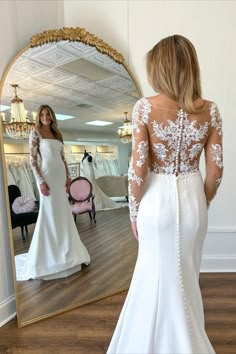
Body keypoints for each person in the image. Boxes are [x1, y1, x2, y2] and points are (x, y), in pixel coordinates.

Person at [107, 35, 223, 353]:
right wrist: (202, 201)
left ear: (159, 68)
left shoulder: (145, 108)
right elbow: (215, 172)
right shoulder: (210, 111)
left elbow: (139, 169)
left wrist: (133, 211)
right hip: (193, 197)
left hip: (155, 201)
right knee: (187, 277)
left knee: (152, 276)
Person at [14, 105, 90, 281]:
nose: (45, 117)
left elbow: (63, 158)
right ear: (39, 117)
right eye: (42, 114)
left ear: (52, 116)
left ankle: (67, 251)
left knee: (63, 212)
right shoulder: (35, 133)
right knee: (49, 213)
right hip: (47, 176)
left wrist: (68, 177)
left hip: (59, 176)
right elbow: (32, 160)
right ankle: (47, 256)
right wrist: (40, 181)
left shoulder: (57, 134)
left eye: (48, 114)